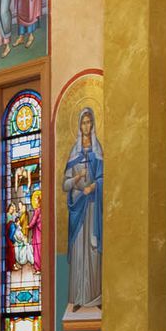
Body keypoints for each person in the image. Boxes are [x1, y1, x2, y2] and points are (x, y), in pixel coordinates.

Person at [63, 108, 103, 313]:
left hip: (93, 206)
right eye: (83, 123)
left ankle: (95, 296)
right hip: (78, 207)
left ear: (93, 124)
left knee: (93, 249)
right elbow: (65, 185)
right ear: (79, 126)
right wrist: (78, 180)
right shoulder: (74, 153)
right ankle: (79, 296)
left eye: (89, 122)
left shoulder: (97, 151)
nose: (86, 126)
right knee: (79, 251)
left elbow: (104, 177)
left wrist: (93, 186)